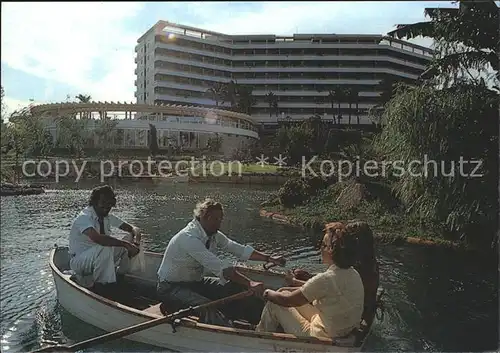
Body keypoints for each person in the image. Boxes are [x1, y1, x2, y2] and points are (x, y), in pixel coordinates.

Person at [156, 198, 286, 327]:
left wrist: (269, 258)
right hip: (170, 287)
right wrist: (250, 283)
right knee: (206, 306)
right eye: (215, 219)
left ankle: (259, 323)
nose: (219, 223)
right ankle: (227, 330)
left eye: (221, 219)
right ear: (204, 217)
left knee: (234, 288)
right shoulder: (188, 238)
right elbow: (223, 269)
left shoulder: (212, 234)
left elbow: (238, 249)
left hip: (196, 283)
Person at [255, 222, 364, 339]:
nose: (320, 248)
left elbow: (287, 301)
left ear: (331, 250)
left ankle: (258, 338)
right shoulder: (353, 273)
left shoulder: (326, 279)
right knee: (284, 292)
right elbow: (313, 290)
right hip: (339, 328)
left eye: (323, 245)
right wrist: (287, 289)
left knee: (274, 303)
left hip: (320, 335)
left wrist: (267, 293)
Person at [68, 185, 141, 297]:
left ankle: (120, 277)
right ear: (94, 202)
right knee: (105, 247)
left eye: (109, 204)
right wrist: (125, 245)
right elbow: (98, 239)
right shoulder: (84, 217)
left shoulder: (106, 216)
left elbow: (134, 229)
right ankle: (103, 287)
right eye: (103, 203)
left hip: (99, 257)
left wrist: (135, 243)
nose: (107, 207)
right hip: (80, 261)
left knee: (128, 238)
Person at [345, 220, 380, 326]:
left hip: (358, 314)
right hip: (366, 308)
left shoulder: (358, 268)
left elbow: (335, 284)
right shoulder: (370, 261)